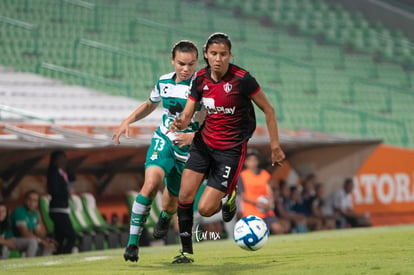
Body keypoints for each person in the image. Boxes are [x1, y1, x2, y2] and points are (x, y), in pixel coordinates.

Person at [169, 32, 286, 264]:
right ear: (206, 55)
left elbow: (269, 110)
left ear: (230, 55)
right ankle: (186, 252)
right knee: (184, 196)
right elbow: (188, 111)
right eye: (214, 53)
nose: (218, 58)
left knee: (205, 209)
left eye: (223, 54)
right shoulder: (200, 78)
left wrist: (275, 146)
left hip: (230, 150)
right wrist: (181, 122)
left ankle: (229, 195)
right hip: (203, 144)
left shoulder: (243, 79)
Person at [112, 40, 201, 263]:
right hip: (164, 139)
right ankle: (133, 243)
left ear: (196, 63)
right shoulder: (164, 81)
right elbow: (150, 104)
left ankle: (164, 217)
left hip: (187, 149)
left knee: (172, 202)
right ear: (173, 61)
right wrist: (127, 120)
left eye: (190, 64)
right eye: (181, 63)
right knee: (151, 184)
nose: (185, 69)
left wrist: (192, 136)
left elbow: (212, 120)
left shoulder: (203, 86)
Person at [238, 150, 284, 235]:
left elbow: (269, 190)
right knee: (256, 234)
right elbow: (243, 197)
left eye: (254, 160)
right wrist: (257, 203)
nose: (253, 163)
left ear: (258, 162)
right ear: (246, 162)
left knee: (277, 228)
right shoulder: (242, 176)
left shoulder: (264, 174)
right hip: (251, 211)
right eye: (250, 160)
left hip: (266, 209)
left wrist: (270, 201)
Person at [9, 190, 57, 257]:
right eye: (29, 199)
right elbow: (24, 233)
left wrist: (47, 239)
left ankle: (44, 264)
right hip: (13, 239)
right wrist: (41, 241)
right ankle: (29, 264)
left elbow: (37, 232)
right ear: (25, 200)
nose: (32, 203)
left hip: (26, 239)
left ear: (37, 203)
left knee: (49, 243)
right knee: (33, 242)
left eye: (35, 200)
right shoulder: (19, 211)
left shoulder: (35, 213)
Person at [47, 150, 76, 254]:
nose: (64, 160)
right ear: (55, 160)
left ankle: (57, 255)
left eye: (65, 157)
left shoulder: (64, 173)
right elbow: (54, 191)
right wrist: (67, 192)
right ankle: (66, 254)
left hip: (64, 208)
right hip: (57, 209)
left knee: (60, 236)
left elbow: (73, 178)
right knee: (71, 235)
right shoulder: (54, 174)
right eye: (61, 158)